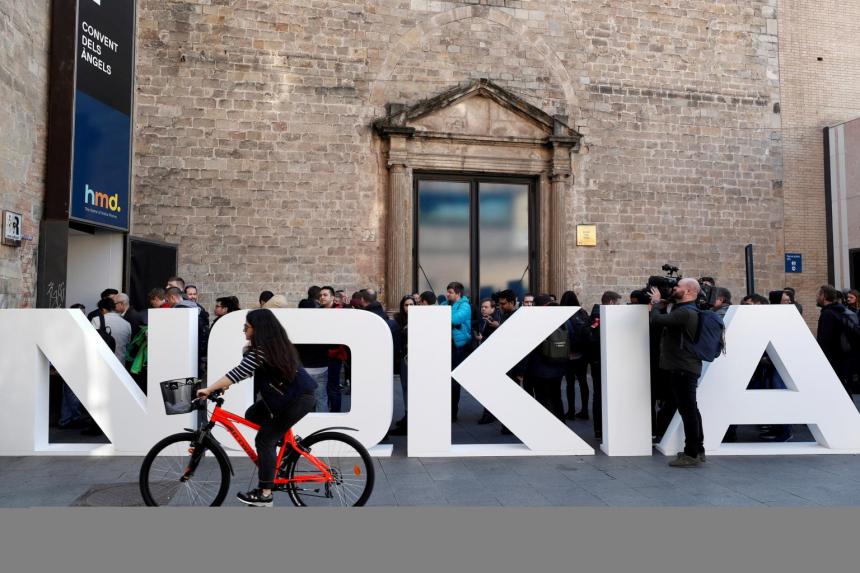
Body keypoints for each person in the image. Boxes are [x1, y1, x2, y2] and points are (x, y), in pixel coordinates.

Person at [197, 309, 317, 507]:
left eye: (247, 326)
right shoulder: (271, 347)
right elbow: (244, 372)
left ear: (258, 329)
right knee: (253, 414)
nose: (244, 329)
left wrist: (209, 389)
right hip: (289, 397)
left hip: (296, 400)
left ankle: (265, 493)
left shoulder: (263, 350)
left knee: (264, 439)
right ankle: (288, 446)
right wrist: (222, 385)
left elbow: (238, 372)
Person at [648, 279, 706, 467]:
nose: (674, 288)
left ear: (689, 292)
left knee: (688, 411)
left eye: (678, 286)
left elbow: (656, 321)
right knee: (691, 409)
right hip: (685, 367)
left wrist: (656, 303)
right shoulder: (686, 310)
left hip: (683, 368)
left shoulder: (686, 312)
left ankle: (691, 454)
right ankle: (698, 449)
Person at [587, 291, 622, 440]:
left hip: (599, 360)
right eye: (617, 303)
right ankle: (600, 429)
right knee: (600, 394)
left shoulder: (599, 315)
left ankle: (601, 429)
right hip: (600, 361)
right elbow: (596, 339)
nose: (619, 306)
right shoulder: (599, 317)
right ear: (611, 302)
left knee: (600, 394)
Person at [559, 291, 591, 420]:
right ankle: (584, 410)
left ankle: (571, 411)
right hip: (582, 353)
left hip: (569, 354)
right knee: (583, 382)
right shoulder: (582, 312)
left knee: (570, 383)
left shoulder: (562, 314)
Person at [816, 285, 853, 393]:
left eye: (818, 294)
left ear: (824, 296)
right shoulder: (840, 310)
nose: (816, 297)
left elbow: (825, 340)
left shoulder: (827, 314)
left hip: (833, 359)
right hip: (844, 356)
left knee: (839, 387)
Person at [389, 295, 414, 435]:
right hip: (404, 358)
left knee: (411, 389)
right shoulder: (398, 320)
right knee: (405, 388)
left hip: (414, 359)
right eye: (406, 305)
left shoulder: (420, 319)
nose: (409, 307)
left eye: (411, 304)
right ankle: (407, 415)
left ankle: (410, 420)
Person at [447, 282, 472, 422]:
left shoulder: (465, 306)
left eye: (450, 292)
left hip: (458, 346)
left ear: (458, 294)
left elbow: (454, 319)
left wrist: (445, 314)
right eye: (447, 291)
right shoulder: (445, 304)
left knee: (453, 381)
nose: (447, 294)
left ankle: (452, 413)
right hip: (445, 345)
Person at [475, 297, 502, 425]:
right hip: (487, 356)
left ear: (493, 308)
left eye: (486, 307)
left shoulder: (494, 318)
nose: (483, 309)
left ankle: (489, 414)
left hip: (494, 358)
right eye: (482, 307)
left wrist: (495, 325)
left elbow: (497, 327)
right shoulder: (484, 318)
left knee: (490, 387)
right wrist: (481, 337)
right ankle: (489, 413)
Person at [91, 297, 132, 364]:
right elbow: (128, 343)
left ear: (103, 309)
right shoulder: (127, 324)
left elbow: (92, 342)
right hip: (120, 363)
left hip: (103, 362)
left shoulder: (96, 320)